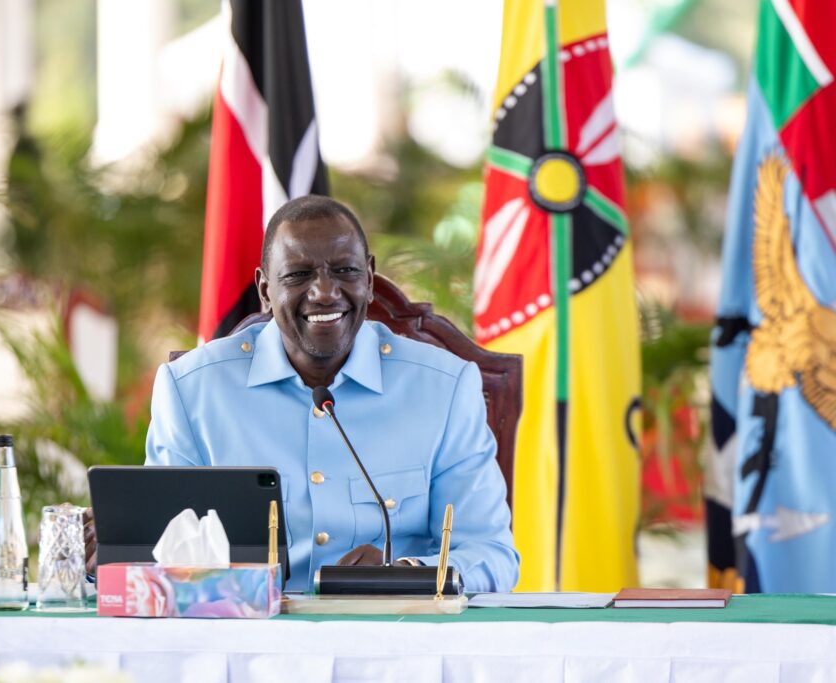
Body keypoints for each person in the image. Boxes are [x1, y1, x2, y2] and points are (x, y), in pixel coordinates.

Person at [88, 195, 519, 593]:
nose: (325, 292)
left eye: (345, 271)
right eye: (298, 274)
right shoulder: (191, 390)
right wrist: (102, 553)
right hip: (245, 636)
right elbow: (163, 550)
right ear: (265, 291)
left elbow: (492, 554)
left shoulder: (444, 388)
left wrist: (404, 574)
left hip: (396, 634)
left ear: (369, 279)